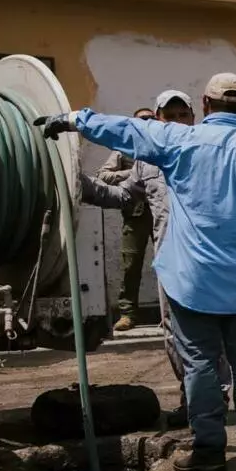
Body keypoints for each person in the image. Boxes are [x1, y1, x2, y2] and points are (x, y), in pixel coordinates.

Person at [37, 72, 236, 471]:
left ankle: (208, 453)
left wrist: (74, 119)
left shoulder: (178, 140)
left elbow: (127, 130)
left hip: (191, 283)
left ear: (205, 105)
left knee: (199, 364)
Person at [79, 90, 232, 429]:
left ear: (193, 118)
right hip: (169, 263)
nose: (176, 122)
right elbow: (121, 196)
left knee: (213, 337)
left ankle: (217, 401)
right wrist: (78, 184)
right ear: (159, 121)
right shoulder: (147, 161)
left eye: (182, 115)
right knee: (174, 336)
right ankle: (191, 399)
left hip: (209, 260)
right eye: (169, 116)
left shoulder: (208, 153)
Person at [96, 106, 155, 332]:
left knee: (171, 263)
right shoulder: (124, 147)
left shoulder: (163, 144)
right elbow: (103, 175)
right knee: (131, 264)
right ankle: (128, 313)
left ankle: (171, 313)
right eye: (141, 119)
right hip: (136, 213)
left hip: (164, 212)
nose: (146, 122)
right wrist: (134, 174)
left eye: (150, 118)